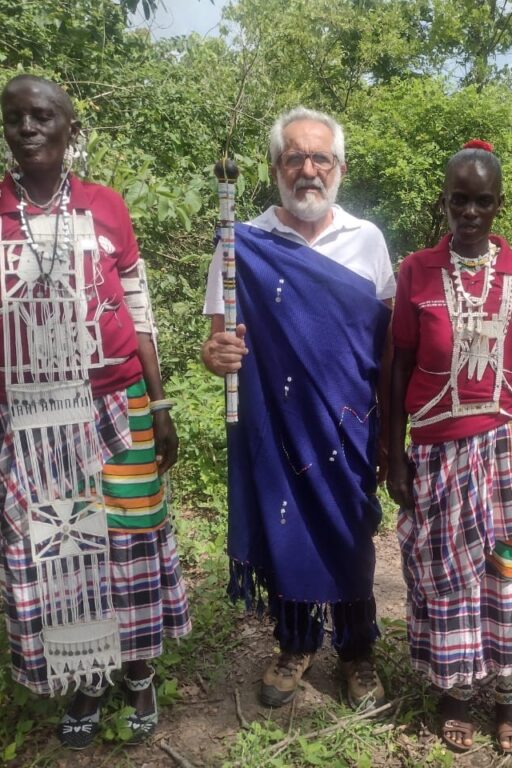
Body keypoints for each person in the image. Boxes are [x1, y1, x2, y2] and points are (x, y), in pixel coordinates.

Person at [0, 75, 190, 750]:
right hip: (16, 413)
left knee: (128, 542)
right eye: (14, 117)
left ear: (69, 130)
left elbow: (138, 309)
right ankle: (85, 674)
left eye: (42, 116)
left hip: (115, 399)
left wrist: (159, 401)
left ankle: (136, 666)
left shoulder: (107, 206)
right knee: (54, 548)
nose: (27, 128)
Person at [201, 107, 394, 711]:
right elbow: (216, 340)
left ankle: (357, 651)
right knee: (287, 526)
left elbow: (386, 340)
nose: (308, 170)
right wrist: (218, 353)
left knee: (350, 531)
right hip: (279, 424)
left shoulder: (368, 240)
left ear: (338, 168)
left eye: (321, 159)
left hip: (350, 423)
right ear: (275, 167)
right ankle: (296, 642)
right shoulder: (243, 244)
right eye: (295, 158)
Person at [386, 140, 512, 755]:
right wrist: (393, 453)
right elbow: (397, 366)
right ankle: (455, 690)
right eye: (460, 199)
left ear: (498, 205)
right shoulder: (415, 272)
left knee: (508, 574)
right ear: (445, 200)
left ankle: (508, 690)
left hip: (509, 445)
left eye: (483, 201)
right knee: (445, 574)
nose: (470, 212)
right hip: (435, 449)